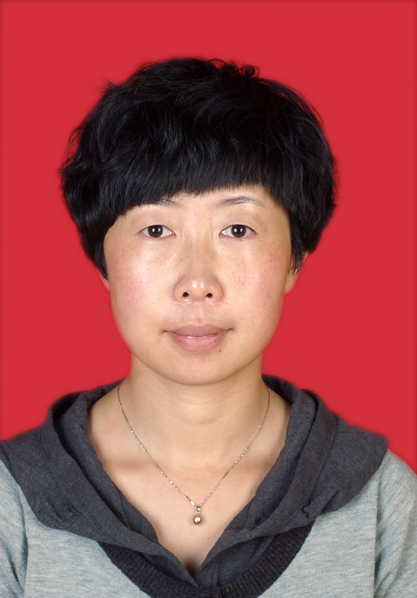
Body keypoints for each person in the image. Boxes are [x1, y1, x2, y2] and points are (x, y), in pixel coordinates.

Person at [0, 57, 415, 598]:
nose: (197, 282)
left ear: (294, 261)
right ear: (103, 262)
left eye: (237, 229)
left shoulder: (380, 504)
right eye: (156, 229)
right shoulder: (12, 503)